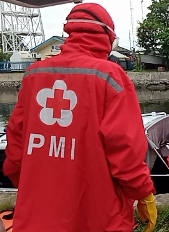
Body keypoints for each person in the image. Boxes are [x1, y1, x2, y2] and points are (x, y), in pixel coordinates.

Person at [3, 3, 157, 232]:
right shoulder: (110, 77)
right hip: (98, 216)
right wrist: (143, 191)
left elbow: (15, 144)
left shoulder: (34, 74)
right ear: (107, 35)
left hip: (36, 218)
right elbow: (125, 150)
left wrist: (30, 186)